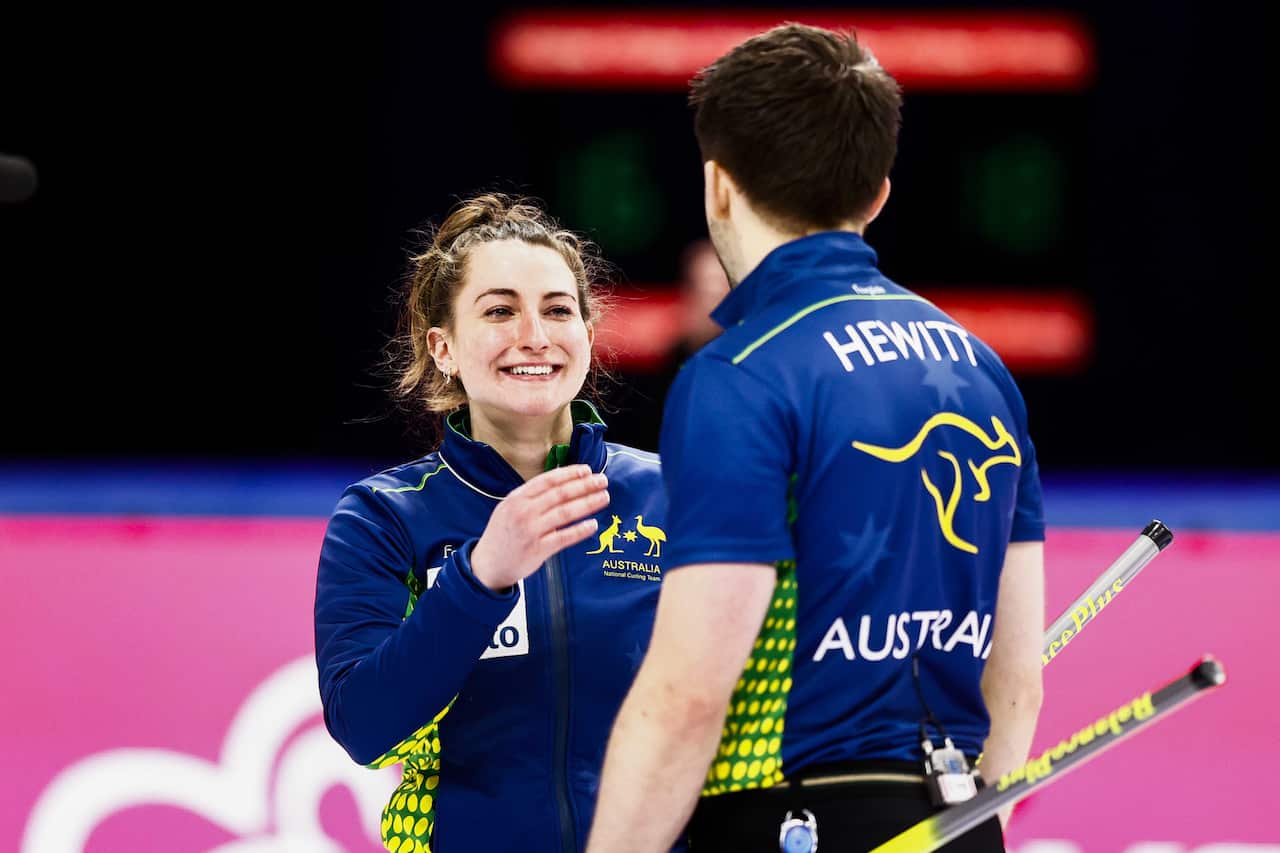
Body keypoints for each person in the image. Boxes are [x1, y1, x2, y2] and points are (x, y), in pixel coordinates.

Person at [587, 23, 1045, 853]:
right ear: (877, 194)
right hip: (954, 825)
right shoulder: (981, 369)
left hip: (788, 825)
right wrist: (973, 824)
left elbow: (689, 692)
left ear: (716, 186)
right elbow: (1015, 679)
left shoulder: (741, 374)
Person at [314, 194, 675, 853]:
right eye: (500, 310)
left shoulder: (672, 496)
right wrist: (479, 578)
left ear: (590, 337)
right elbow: (365, 728)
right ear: (443, 346)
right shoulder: (383, 516)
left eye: (558, 310)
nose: (534, 335)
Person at [607, 238, 730, 450]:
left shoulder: (752, 369)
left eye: (723, 293)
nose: (714, 305)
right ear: (687, 293)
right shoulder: (652, 375)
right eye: (706, 292)